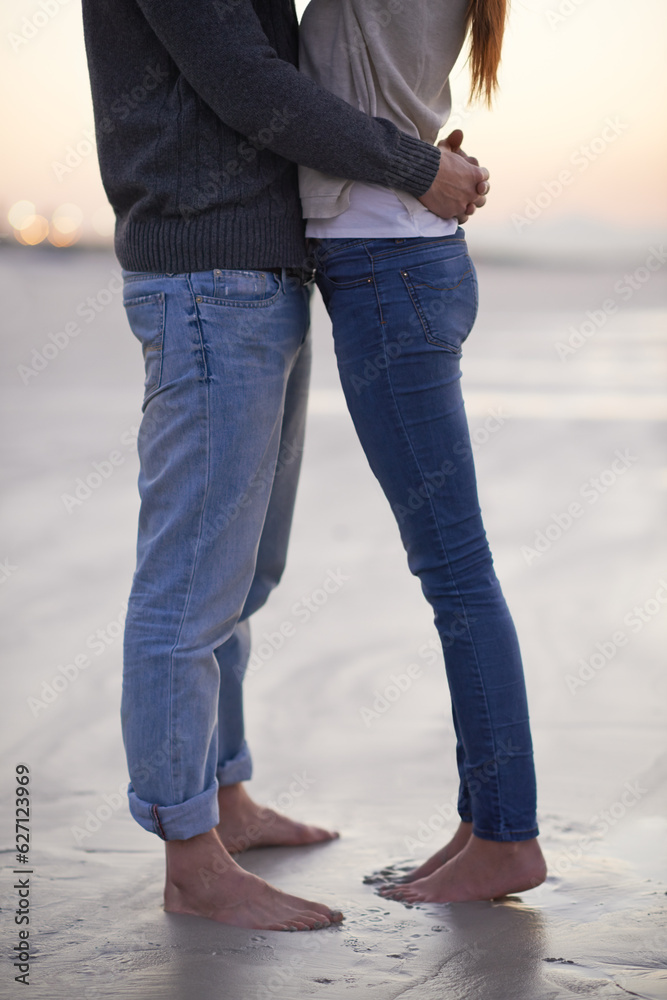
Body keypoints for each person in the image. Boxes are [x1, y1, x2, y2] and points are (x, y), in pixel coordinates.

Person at [80, 0, 490, 930]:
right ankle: (192, 859)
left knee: (245, 574)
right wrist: (415, 167)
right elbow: (248, 84)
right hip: (206, 274)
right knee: (189, 586)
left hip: (259, 270)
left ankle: (224, 799)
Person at [299, 0, 548, 902]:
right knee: (455, 567)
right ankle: (484, 819)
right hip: (405, 258)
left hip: (385, 267)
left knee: (454, 570)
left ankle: (508, 836)